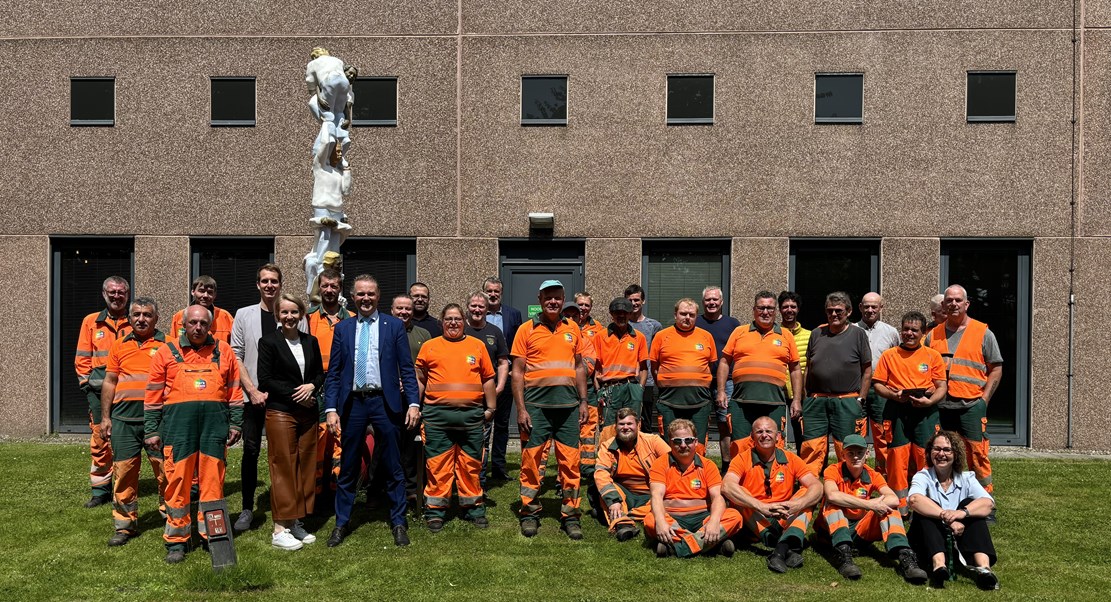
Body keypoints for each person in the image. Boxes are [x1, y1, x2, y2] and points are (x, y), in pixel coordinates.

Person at [324, 275, 420, 548]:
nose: (365, 299)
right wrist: (331, 408)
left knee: (393, 465)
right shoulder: (343, 329)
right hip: (353, 404)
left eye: (370, 294)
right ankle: (342, 522)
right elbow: (334, 373)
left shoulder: (393, 327)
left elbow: (406, 369)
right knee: (349, 467)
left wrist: (413, 403)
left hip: (385, 403)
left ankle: (399, 521)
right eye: (360, 294)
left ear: (378, 296)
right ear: (353, 297)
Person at [144, 305, 244, 564]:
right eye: (193, 323)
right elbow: (153, 396)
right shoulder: (166, 352)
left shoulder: (224, 351)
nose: (198, 327)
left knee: (213, 482)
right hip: (178, 429)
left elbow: (234, 391)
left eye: (203, 323)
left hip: (214, 428)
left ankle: (212, 535)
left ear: (209, 325)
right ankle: (177, 540)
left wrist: (235, 424)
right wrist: (152, 429)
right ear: (183, 325)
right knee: (177, 480)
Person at [512, 279, 590, 539]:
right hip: (536, 408)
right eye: (548, 297)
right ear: (540, 299)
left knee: (570, 463)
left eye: (557, 297)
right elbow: (517, 372)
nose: (553, 302)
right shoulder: (526, 329)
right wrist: (521, 410)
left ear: (563, 298)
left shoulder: (574, 329)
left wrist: (583, 401)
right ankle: (530, 513)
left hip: (568, 408)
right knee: (532, 463)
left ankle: (571, 516)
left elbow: (580, 367)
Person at [416, 304, 497, 530]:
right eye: (449, 319)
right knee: (437, 466)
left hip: (471, 417)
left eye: (457, 319)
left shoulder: (477, 346)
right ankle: (435, 512)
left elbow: (488, 379)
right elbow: (420, 379)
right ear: (442, 321)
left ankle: (473, 509)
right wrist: (415, 405)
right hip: (436, 417)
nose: (453, 323)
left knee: (470, 465)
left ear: (464, 321)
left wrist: (490, 408)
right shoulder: (430, 347)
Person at [98, 297, 168, 546]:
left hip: (157, 420)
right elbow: (110, 382)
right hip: (123, 420)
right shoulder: (119, 346)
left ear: (156, 318)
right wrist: (105, 417)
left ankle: (171, 518)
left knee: (165, 473)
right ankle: (125, 526)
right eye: (136, 314)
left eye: (147, 315)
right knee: (124, 473)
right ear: (129, 318)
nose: (141, 319)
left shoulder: (167, 345)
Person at [258, 294, 324, 551]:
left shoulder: (311, 341)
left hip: (308, 413)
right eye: (284, 312)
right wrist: (299, 393)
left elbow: (319, 373)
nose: (289, 317)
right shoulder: (269, 342)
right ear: (277, 315)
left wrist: (312, 386)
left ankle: (295, 520)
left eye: (294, 312)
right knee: (284, 466)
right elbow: (265, 379)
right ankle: (279, 528)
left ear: (302, 314)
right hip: (282, 412)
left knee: (305, 466)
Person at [819, 434, 928, 583]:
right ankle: (844, 556)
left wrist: (878, 505)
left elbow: (894, 499)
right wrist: (870, 504)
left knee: (890, 510)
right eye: (850, 453)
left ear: (867, 454)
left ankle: (905, 556)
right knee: (833, 506)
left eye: (859, 453)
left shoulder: (873, 475)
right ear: (843, 454)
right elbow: (832, 495)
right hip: (831, 531)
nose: (855, 457)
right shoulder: (832, 470)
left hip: (858, 530)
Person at [925, 285, 1003, 494]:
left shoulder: (983, 333)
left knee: (977, 454)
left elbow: (996, 368)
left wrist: (984, 400)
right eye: (949, 300)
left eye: (958, 300)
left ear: (966, 304)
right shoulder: (932, 335)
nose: (954, 304)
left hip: (971, 404)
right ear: (943, 305)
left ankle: (984, 500)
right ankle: (942, 495)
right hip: (940, 406)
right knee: (940, 454)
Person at [722, 416, 822, 573]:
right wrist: (761, 506)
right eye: (759, 431)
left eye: (769, 431)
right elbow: (726, 486)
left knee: (807, 495)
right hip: (754, 517)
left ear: (778, 437)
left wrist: (796, 505)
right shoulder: (742, 458)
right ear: (752, 436)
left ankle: (779, 550)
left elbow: (817, 486)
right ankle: (785, 547)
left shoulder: (790, 458)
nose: (764, 435)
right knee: (739, 494)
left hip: (784, 515)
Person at [872, 311, 947, 513]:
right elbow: (878, 384)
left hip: (925, 411)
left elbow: (941, 386)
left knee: (926, 456)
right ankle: (900, 505)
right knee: (897, 458)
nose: (909, 333)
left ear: (923, 333)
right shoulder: (890, 355)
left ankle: (925, 502)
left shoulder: (933, 356)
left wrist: (929, 401)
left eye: (914, 330)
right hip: (896, 409)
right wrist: (894, 396)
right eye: (906, 329)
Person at [230, 263, 285, 533]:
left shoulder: (290, 312)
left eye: (274, 281)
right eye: (265, 281)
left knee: (283, 453)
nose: (269, 285)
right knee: (250, 452)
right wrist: (251, 389)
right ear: (258, 285)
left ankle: (286, 508)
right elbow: (235, 355)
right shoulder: (243, 315)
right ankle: (247, 508)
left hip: (283, 397)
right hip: (253, 396)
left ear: (280, 284)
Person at [908, 431, 999, 590]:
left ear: (956, 454)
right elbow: (914, 500)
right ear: (930, 453)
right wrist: (945, 516)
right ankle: (939, 566)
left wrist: (961, 513)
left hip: (959, 535)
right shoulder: (923, 476)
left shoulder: (967, 478)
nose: (941, 454)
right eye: (936, 449)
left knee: (971, 505)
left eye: (947, 450)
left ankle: (984, 569)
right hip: (926, 537)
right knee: (927, 508)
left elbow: (988, 504)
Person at [717, 291, 802, 452]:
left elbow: (795, 369)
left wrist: (796, 400)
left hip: (774, 403)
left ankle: (771, 476)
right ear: (754, 310)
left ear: (775, 311)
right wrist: (721, 391)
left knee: (773, 445)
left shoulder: (786, 335)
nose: (765, 312)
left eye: (770, 308)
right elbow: (724, 362)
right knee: (740, 446)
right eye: (761, 308)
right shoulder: (739, 332)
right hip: (741, 402)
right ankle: (742, 476)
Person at [798, 291, 872, 475]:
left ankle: (847, 488)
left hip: (847, 400)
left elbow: (867, 370)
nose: (833, 314)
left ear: (848, 312)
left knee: (847, 448)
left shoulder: (858, 334)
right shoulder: (817, 333)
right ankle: (809, 491)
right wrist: (805, 397)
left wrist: (861, 398)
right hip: (816, 401)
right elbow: (808, 367)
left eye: (838, 311)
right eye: (830, 310)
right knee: (811, 448)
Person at [646, 419, 742, 558]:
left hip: (703, 518)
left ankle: (676, 547)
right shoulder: (659, 464)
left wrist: (714, 522)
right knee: (650, 520)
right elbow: (656, 496)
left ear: (696, 442)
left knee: (734, 516)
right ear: (670, 443)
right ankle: (712, 543)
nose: (683, 445)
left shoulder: (708, 465)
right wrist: (661, 522)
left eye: (688, 440)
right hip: (672, 518)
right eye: (677, 441)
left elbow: (717, 497)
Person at [75, 275, 131, 508]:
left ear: (127, 295)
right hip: (98, 392)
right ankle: (100, 489)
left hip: (127, 391)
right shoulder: (91, 322)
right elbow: (82, 358)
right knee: (100, 439)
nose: (117, 296)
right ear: (104, 294)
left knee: (126, 439)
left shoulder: (136, 320)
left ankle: (124, 485)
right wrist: (87, 386)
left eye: (121, 292)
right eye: (112, 292)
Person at [650, 298, 717, 453]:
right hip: (669, 400)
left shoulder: (706, 336)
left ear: (696, 316)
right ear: (675, 315)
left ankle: (699, 473)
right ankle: (669, 474)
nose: (687, 317)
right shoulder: (661, 336)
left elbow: (710, 365)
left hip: (700, 400)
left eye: (691, 315)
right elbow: (654, 367)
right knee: (669, 443)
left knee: (698, 444)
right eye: (683, 313)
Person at [594, 408, 671, 541]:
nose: (625, 427)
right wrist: (613, 502)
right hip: (624, 493)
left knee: (669, 502)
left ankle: (624, 514)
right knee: (605, 491)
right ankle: (624, 525)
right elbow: (601, 474)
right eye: (621, 424)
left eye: (629, 424)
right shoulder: (607, 447)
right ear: (615, 426)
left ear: (638, 425)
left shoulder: (653, 441)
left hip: (652, 493)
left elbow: (673, 463)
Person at [306, 268, 350, 502]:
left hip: (342, 385)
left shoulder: (351, 318)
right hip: (316, 385)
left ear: (340, 288)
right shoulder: (309, 317)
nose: (330, 290)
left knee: (339, 439)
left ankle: (336, 490)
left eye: (334, 286)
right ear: (319, 288)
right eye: (325, 286)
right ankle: (316, 491)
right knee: (318, 437)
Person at [464, 292, 510, 498]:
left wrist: (499, 387)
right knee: (460, 441)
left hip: (485, 398)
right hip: (460, 397)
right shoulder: (459, 329)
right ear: (467, 307)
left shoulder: (495, 332)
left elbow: (502, 362)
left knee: (482, 441)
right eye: (473, 305)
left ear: (486, 309)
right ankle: (460, 481)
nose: (477, 309)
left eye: (481, 306)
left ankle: (478, 484)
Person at [391, 293, 432, 512]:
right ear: (392, 310)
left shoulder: (423, 334)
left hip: (414, 399)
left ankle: (411, 491)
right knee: (387, 446)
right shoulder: (385, 329)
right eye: (400, 308)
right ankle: (383, 490)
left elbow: (427, 368)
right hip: (387, 399)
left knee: (411, 447)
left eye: (407, 309)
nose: (404, 312)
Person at [482, 276, 523, 482]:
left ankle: (498, 466)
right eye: (489, 291)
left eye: (496, 291)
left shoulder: (513, 314)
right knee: (481, 422)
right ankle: (479, 465)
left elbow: (518, 346)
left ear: (501, 293)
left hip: (504, 377)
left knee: (502, 423)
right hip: (480, 379)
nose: (493, 294)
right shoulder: (476, 314)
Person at [856, 292, 901, 475]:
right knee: (856, 431)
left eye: (874, 306)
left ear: (881, 308)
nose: (870, 310)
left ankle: (883, 472)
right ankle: (858, 471)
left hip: (881, 388)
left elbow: (897, 360)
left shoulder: (891, 332)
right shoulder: (852, 329)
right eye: (866, 306)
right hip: (856, 388)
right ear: (860, 307)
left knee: (882, 433)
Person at [695, 286, 740, 471]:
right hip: (701, 382)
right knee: (698, 424)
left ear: (721, 302)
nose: (711, 303)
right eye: (708, 300)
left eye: (715, 300)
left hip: (727, 382)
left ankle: (727, 466)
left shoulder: (733, 324)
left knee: (725, 424)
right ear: (703, 302)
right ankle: (697, 464)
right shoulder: (695, 322)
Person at [594, 297, 647, 442]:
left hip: (632, 387)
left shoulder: (639, 337)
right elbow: (596, 368)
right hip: (609, 389)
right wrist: (599, 390)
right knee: (608, 427)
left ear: (630, 314)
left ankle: (632, 460)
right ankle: (607, 461)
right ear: (611, 314)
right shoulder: (600, 337)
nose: (621, 316)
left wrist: (640, 388)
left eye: (625, 312)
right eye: (617, 313)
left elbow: (643, 368)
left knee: (633, 425)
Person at [625, 284, 662, 433]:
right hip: (626, 379)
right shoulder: (622, 325)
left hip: (647, 381)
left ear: (643, 301)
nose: (634, 304)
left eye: (637, 300)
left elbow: (657, 355)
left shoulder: (654, 326)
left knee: (645, 421)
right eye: (630, 300)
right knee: (626, 419)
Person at [778, 291, 810, 460]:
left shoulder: (809, 335)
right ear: (780, 310)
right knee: (776, 432)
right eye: (785, 307)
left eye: (793, 306)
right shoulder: (774, 334)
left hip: (800, 393)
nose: (789, 310)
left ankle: (802, 469)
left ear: (798, 309)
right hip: (777, 392)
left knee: (801, 435)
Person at [168, 275, 235, 344]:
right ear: (193, 292)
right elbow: (173, 345)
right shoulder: (179, 316)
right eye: (201, 291)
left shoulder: (225, 317)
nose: (205, 295)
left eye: (210, 292)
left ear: (215, 295)